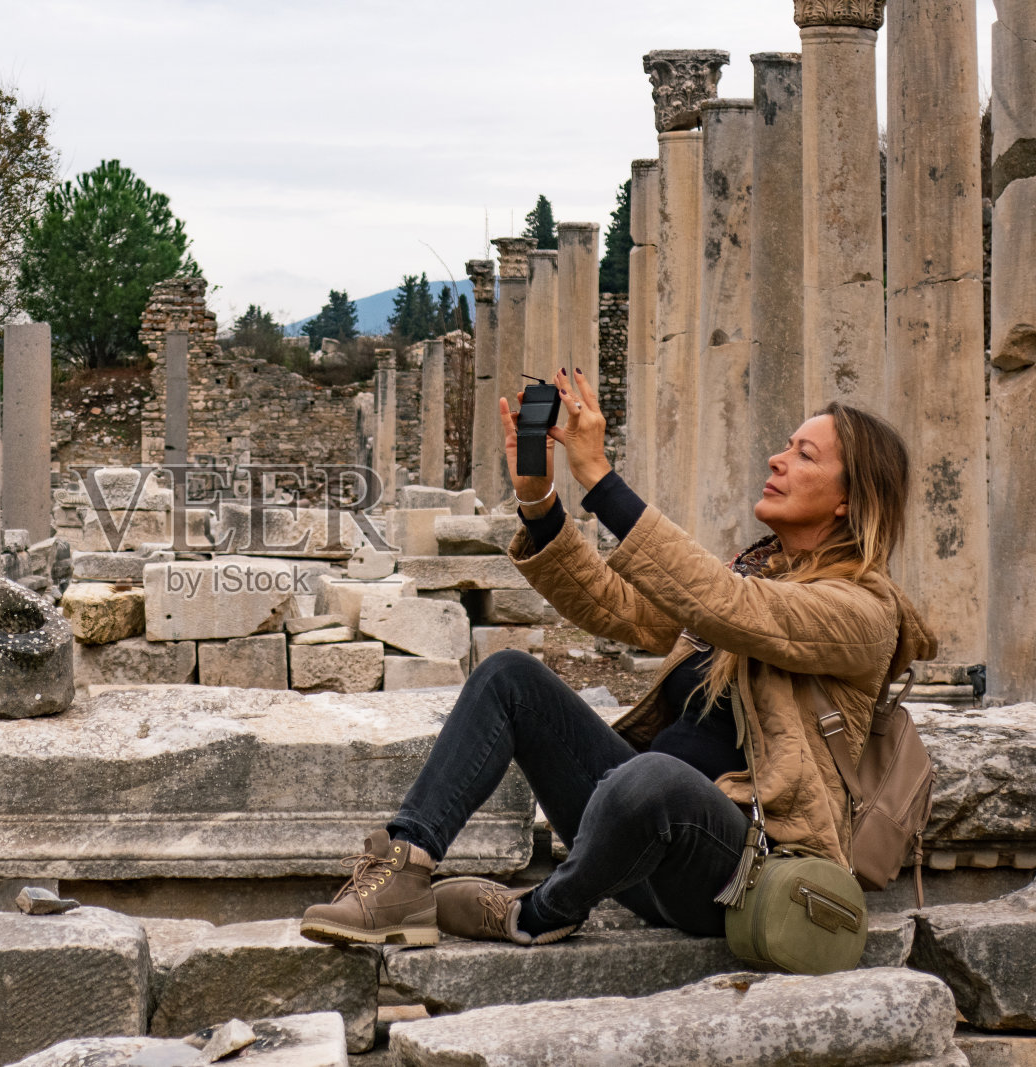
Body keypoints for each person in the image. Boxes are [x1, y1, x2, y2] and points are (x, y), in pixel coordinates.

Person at [299, 367, 936, 948]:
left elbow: (725, 605)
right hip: (626, 839)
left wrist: (601, 480)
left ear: (850, 499)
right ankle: (402, 872)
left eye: (804, 454)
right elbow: (621, 607)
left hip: (735, 869)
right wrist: (540, 503)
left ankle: (540, 911)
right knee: (508, 677)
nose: (777, 457)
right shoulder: (757, 576)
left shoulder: (864, 612)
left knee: (651, 776)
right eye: (786, 445)